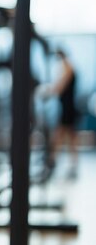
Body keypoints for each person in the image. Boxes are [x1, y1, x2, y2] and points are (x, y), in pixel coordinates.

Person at [47, 48, 79, 177]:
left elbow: (60, 87)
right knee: (68, 137)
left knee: (61, 135)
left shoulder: (68, 68)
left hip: (68, 108)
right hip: (67, 107)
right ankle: (62, 162)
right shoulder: (67, 67)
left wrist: (49, 90)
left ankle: (53, 161)